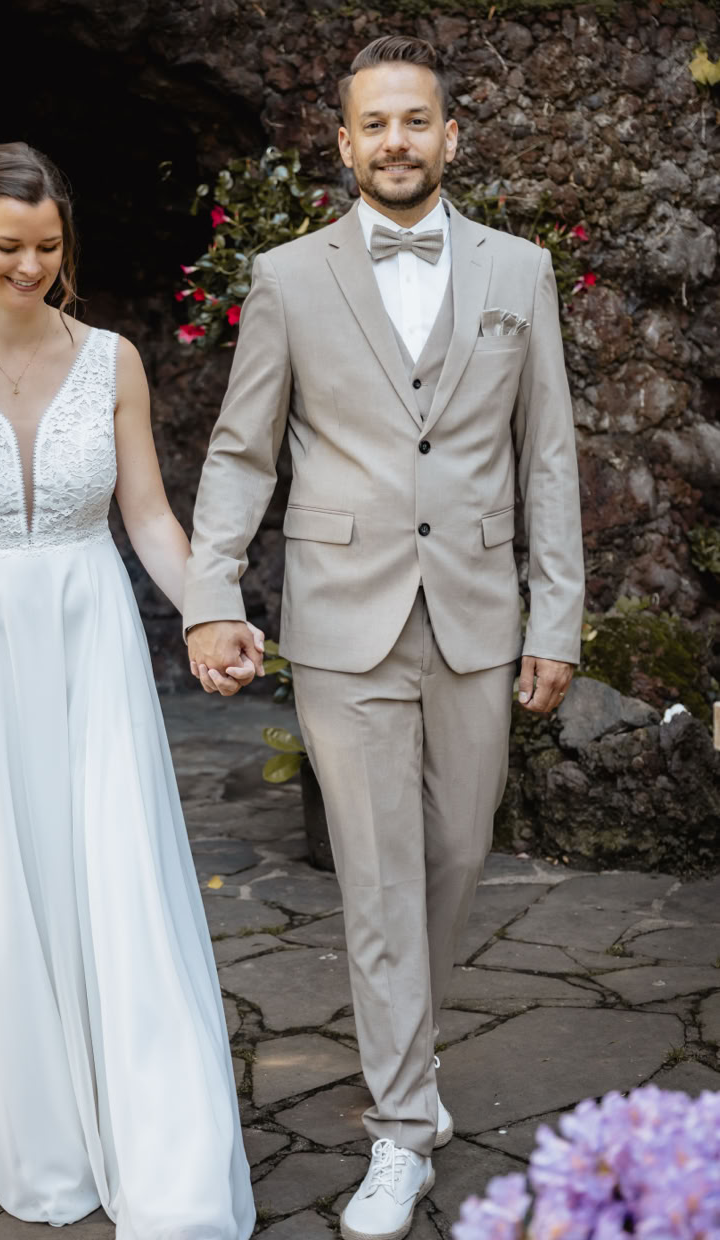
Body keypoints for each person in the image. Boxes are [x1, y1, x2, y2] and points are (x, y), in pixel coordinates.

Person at [184, 36, 584, 1240]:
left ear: (450, 136)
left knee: (454, 858)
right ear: (344, 143)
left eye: (417, 121)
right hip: (341, 617)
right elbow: (242, 450)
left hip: (477, 614)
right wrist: (211, 591)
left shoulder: (519, 270)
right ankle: (402, 1129)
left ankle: (410, 1059)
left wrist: (555, 614)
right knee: (375, 877)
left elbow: (547, 453)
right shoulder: (285, 277)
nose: (396, 141)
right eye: (376, 124)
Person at [0, 141, 257, 1239]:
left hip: (90, 637)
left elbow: (149, 517)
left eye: (49, 246)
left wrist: (207, 611)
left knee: (110, 863)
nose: (31, 267)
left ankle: (140, 1104)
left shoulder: (113, 359)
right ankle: (24, 1106)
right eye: (8, 247)